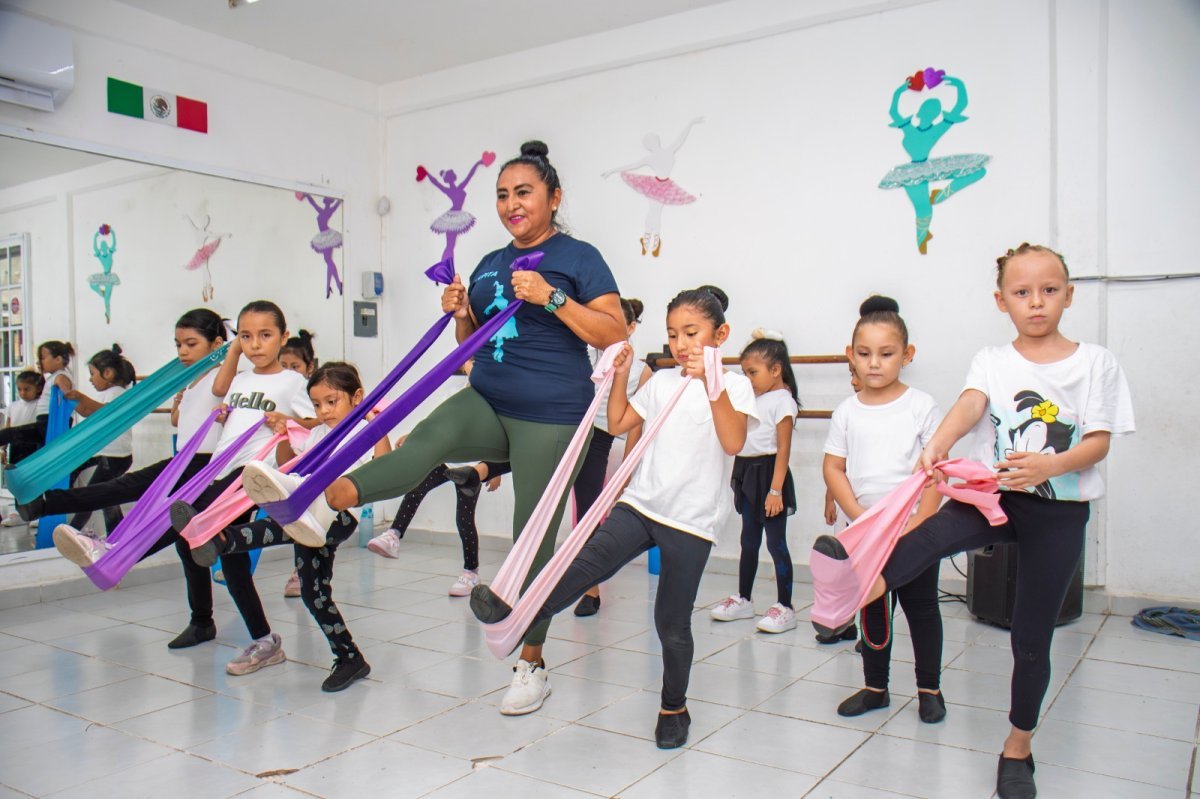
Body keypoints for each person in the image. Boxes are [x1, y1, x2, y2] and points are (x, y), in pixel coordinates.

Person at [234, 141, 626, 716]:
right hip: (488, 396)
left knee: (532, 533)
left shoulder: (579, 255)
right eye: (502, 195)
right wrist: (461, 312)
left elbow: (612, 331)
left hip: (552, 413)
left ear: (553, 198)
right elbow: (472, 345)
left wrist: (552, 295)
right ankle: (320, 500)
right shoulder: (494, 262)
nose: (511, 204)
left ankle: (532, 663)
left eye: (523, 193)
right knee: (425, 443)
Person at [814, 245, 1134, 799]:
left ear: (1069, 294)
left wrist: (1051, 464)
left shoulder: (1095, 362)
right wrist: (939, 443)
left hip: (1058, 511)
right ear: (1001, 300)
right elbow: (969, 404)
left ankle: (1018, 748)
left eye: (1049, 290)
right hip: (994, 494)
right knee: (930, 536)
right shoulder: (992, 359)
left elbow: (1099, 443)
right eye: (1022, 292)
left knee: (1032, 637)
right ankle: (855, 587)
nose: (1036, 302)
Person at [471, 285, 757, 749]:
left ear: (719, 334)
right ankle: (519, 612)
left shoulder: (737, 384)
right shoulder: (662, 380)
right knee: (585, 561)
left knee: (672, 621)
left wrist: (712, 383)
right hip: (642, 504)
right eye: (673, 334)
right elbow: (620, 418)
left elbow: (733, 443)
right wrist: (621, 374)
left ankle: (674, 708)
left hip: (691, 520)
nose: (681, 344)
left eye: (692, 333)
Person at [192, 362, 390, 691]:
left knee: (286, 518)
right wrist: (283, 436)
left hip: (337, 516)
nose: (324, 411)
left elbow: (383, 468)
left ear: (357, 397)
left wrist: (378, 424)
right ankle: (350, 658)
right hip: (307, 512)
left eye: (332, 401)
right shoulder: (318, 433)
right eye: (316, 404)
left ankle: (224, 538)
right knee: (314, 591)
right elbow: (292, 462)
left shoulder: (363, 431)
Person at [822, 296, 946, 723]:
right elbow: (833, 466)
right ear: (850, 356)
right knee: (874, 607)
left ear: (907, 355)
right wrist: (857, 512)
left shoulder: (921, 406)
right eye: (864, 354)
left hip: (914, 530)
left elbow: (937, 472)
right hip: (867, 531)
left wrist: (921, 523)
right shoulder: (847, 412)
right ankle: (875, 687)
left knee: (923, 607)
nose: (874, 363)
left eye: (886, 354)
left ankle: (929, 689)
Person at [710, 329, 800, 633]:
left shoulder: (782, 401)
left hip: (770, 474)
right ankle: (744, 599)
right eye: (745, 372)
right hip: (746, 472)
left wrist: (776, 490)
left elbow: (783, 450)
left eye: (753, 372)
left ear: (776, 371)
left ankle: (785, 606)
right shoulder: (751, 397)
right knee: (748, 540)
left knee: (775, 543)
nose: (747, 378)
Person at [573, 296, 647, 617]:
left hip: (599, 437)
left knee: (588, 510)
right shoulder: (584, 355)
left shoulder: (640, 371)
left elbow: (634, 428)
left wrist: (625, 473)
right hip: (569, 429)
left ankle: (590, 587)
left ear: (630, 328)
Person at [366, 456, 510, 596]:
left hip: (473, 468)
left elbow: (493, 436)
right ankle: (393, 535)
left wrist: (494, 470)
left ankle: (471, 573)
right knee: (417, 488)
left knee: (464, 518)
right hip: (447, 458)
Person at [62, 345, 138, 533]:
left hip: (115, 457)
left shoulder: (118, 393)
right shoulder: (104, 394)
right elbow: (89, 412)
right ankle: (117, 534)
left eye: (92, 373)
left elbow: (105, 413)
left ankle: (73, 531)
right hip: (106, 455)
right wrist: (74, 401)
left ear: (108, 373)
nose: (90, 378)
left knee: (93, 495)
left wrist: (80, 397)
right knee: (106, 497)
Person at [278, 328, 318, 596]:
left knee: (304, 517)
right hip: (286, 462)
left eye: (295, 367)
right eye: (284, 366)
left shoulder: (304, 391)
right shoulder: (279, 386)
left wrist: (287, 421)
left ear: (308, 368)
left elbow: (318, 420)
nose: (289, 372)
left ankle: (300, 573)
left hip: (307, 462)